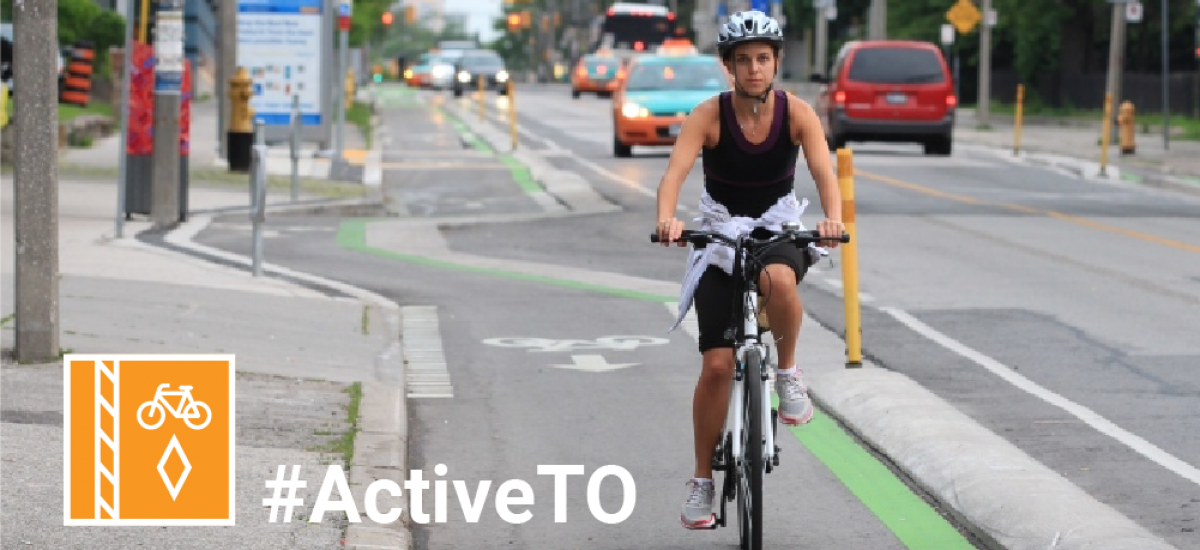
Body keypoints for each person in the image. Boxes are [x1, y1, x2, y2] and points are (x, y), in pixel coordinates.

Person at [652, 10, 845, 529]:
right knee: (716, 365)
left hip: (777, 226)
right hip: (718, 231)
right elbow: (674, 172)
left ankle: (787, 373)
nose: (755, 68)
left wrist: (833, 220)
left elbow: (824, 171)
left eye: (763, 59)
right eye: (744, 61)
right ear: (729, 67)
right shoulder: (708, 116)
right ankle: (700, 480)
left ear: (776, 63)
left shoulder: (797, 112)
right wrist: (668, 219)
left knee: (780, 281)